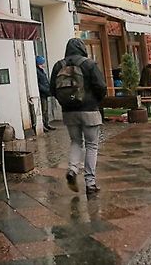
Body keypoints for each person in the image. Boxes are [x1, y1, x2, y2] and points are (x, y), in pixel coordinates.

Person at [50, 38, 107, 196]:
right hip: (89, 111)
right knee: (91, 145)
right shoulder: (89, 64)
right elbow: (101, 87)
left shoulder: (59, 65)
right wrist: (96, 100)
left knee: (75, 142)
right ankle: (90, 183)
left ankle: (73, 169)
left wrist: (66, 102)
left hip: (69, 112)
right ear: (82, 48)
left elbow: (52, 89)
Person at [36, 55, 56, 132]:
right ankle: (44, 125)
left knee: (46, 110)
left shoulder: (41, 71)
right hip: (42, 94)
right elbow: (39, 84)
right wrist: (46, 90)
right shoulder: (38, 72)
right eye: (43, 63)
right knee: (43, 110)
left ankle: (46, 124)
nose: (44, 64)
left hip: (45, 93)